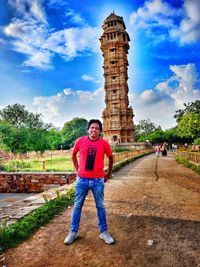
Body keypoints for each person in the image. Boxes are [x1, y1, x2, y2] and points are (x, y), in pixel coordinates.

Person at [64, 119, 114, 245]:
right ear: (88, 129)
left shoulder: (104, 143)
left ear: (100, 131)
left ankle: (104, 232)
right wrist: (77, 169)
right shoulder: (80, 141)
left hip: (98, 180)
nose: (94, 130)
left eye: (97, 128)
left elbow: (111, 157)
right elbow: (74, 154)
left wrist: (107, 174)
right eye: (92, 127)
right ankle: (73, 232)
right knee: (77, 206)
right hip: (82, 180)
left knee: (100, 206)